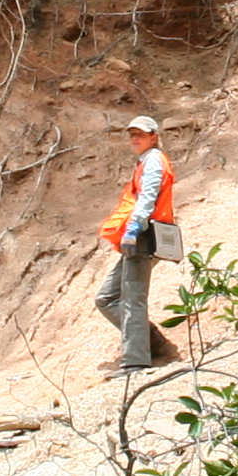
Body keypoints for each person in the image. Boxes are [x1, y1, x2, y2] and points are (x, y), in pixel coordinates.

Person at [92, 114, 178, 373]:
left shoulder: (153, 160)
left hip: (141, 236)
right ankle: (155, 344)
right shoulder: (146, 161)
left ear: (154, 137)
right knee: (107, 298)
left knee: (132, 299)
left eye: (140, 133)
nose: (135, 138)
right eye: (131, 134)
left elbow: (148, 198)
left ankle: (136, 361)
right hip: (140, 235)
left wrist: (132, 229)